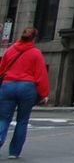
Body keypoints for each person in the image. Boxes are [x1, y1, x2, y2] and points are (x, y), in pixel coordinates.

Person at [0, 25, 49, 159]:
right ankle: (14, 152)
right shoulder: (36, 53)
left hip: (8, 85)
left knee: (3, 118)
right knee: (22, 120)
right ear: (33, 38)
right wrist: (44, 94)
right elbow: (41, 75)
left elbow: (1, 69)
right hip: (27, 87)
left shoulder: (10, 51)